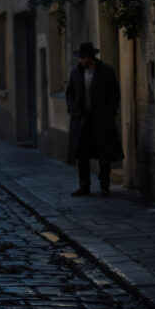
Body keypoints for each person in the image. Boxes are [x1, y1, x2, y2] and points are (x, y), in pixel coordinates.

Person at [65, 42, 123, 196]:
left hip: (101, 118)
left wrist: (110, 111)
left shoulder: (105, 71)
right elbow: (69, 93)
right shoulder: (76, 73)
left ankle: (105, 185)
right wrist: (72, 108)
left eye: (83, 58)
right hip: (82, 118)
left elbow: (114, 93)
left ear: (91, 58)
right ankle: (84, 185)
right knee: (82, 153)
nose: (80, 61)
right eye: (80, 58)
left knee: (104, 153)